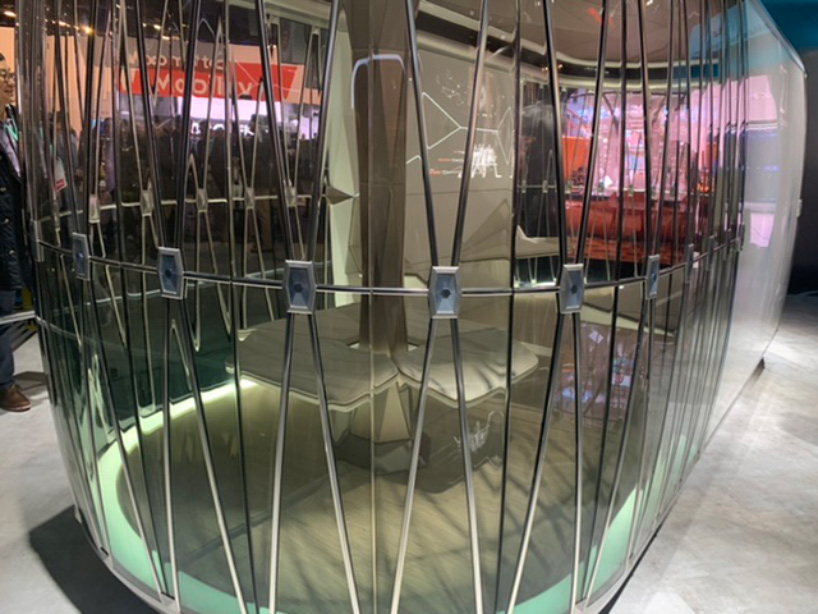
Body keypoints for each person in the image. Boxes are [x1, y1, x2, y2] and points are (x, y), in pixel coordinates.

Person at [0, 53, 32, 412]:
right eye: (2, 75)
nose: (10, 81)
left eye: (10, 74)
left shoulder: (15, 122)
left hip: (24, 231)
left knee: (52, 300)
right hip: (4, 234)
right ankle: (4, 384)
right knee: (1, 310)